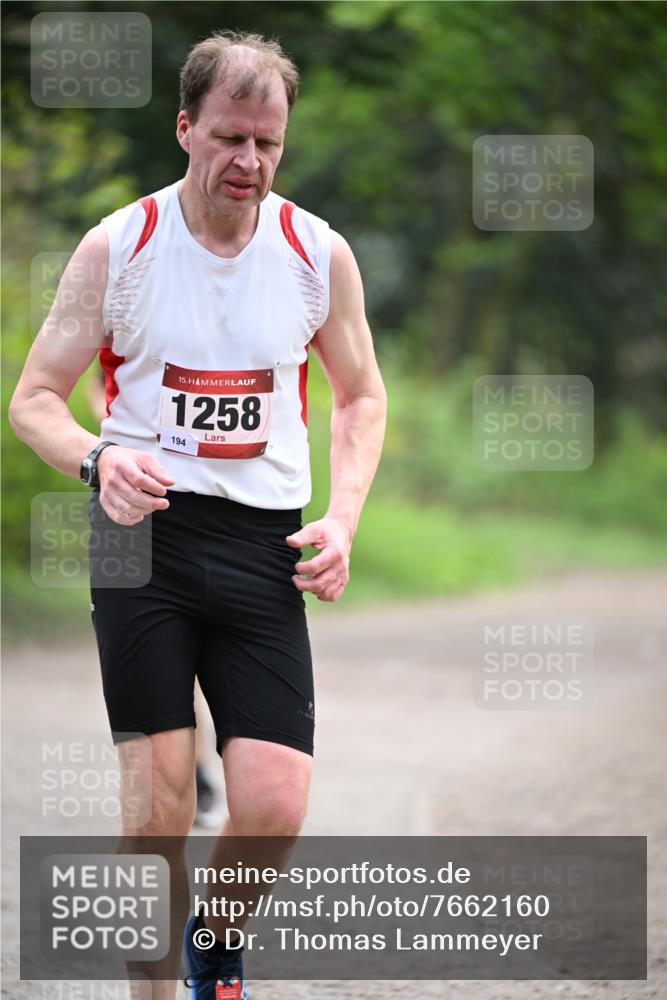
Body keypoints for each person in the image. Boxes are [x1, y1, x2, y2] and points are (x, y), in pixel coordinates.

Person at [9, 29, 387, 1000]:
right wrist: (99, 459)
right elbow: (34, 398)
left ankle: (212, 946)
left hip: (265, 542)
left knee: (273, 804)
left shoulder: (316, 254)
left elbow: (360, 396)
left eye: (268, 144)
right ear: (185, 128)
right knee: (157, 807)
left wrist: (342, 517)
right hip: (142, 538)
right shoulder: (118, 248)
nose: (248, 163)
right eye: (229, 138)